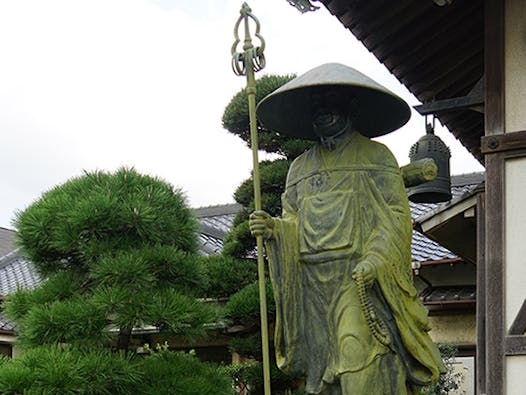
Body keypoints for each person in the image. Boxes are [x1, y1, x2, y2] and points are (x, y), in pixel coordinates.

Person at [250, 63, 445, 395]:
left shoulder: (376, 157)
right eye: (315, 105)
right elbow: (293, 219)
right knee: (320, 372)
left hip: (356, 278)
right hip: (312, 284)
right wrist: (274, 229)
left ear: (351, 106)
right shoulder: (299, 168)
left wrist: (376, 259)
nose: (322, 111)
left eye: (330, 100)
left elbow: (394, 216)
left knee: (357, 352)